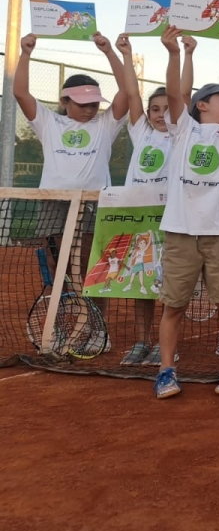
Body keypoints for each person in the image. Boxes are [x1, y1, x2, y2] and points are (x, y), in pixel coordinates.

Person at [153, 33, 219, 399]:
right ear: (201, 106)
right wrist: (177, 52)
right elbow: (176, 92)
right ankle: (166, 370)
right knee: (173, 305)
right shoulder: (183, 130)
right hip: (181, 232)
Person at [13, 31, 130, 348]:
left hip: (93, 203)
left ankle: (96, 332)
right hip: (53, 202)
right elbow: (21, 92)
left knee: (90, 270)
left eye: (94, 104)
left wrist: (109, 53)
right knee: (57, 271)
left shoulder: (106, 124)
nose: (90, 109)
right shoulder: (49, 122)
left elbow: (128, 93)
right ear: (64, 102)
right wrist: (26, 53)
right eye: (82, 104)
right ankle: (60, 328)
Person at [114, 28, 194, 365]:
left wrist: (185, 54)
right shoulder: (141, 132)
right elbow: (131, 92)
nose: (161, 114)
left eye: (165, 108)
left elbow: (183, 93)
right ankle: (142, 342)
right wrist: (125, 54)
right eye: (155, 108)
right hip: (136, 217)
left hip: (169, 221)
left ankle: (166, 345)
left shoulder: (179, 134)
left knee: (168, 288)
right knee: (139, 286)